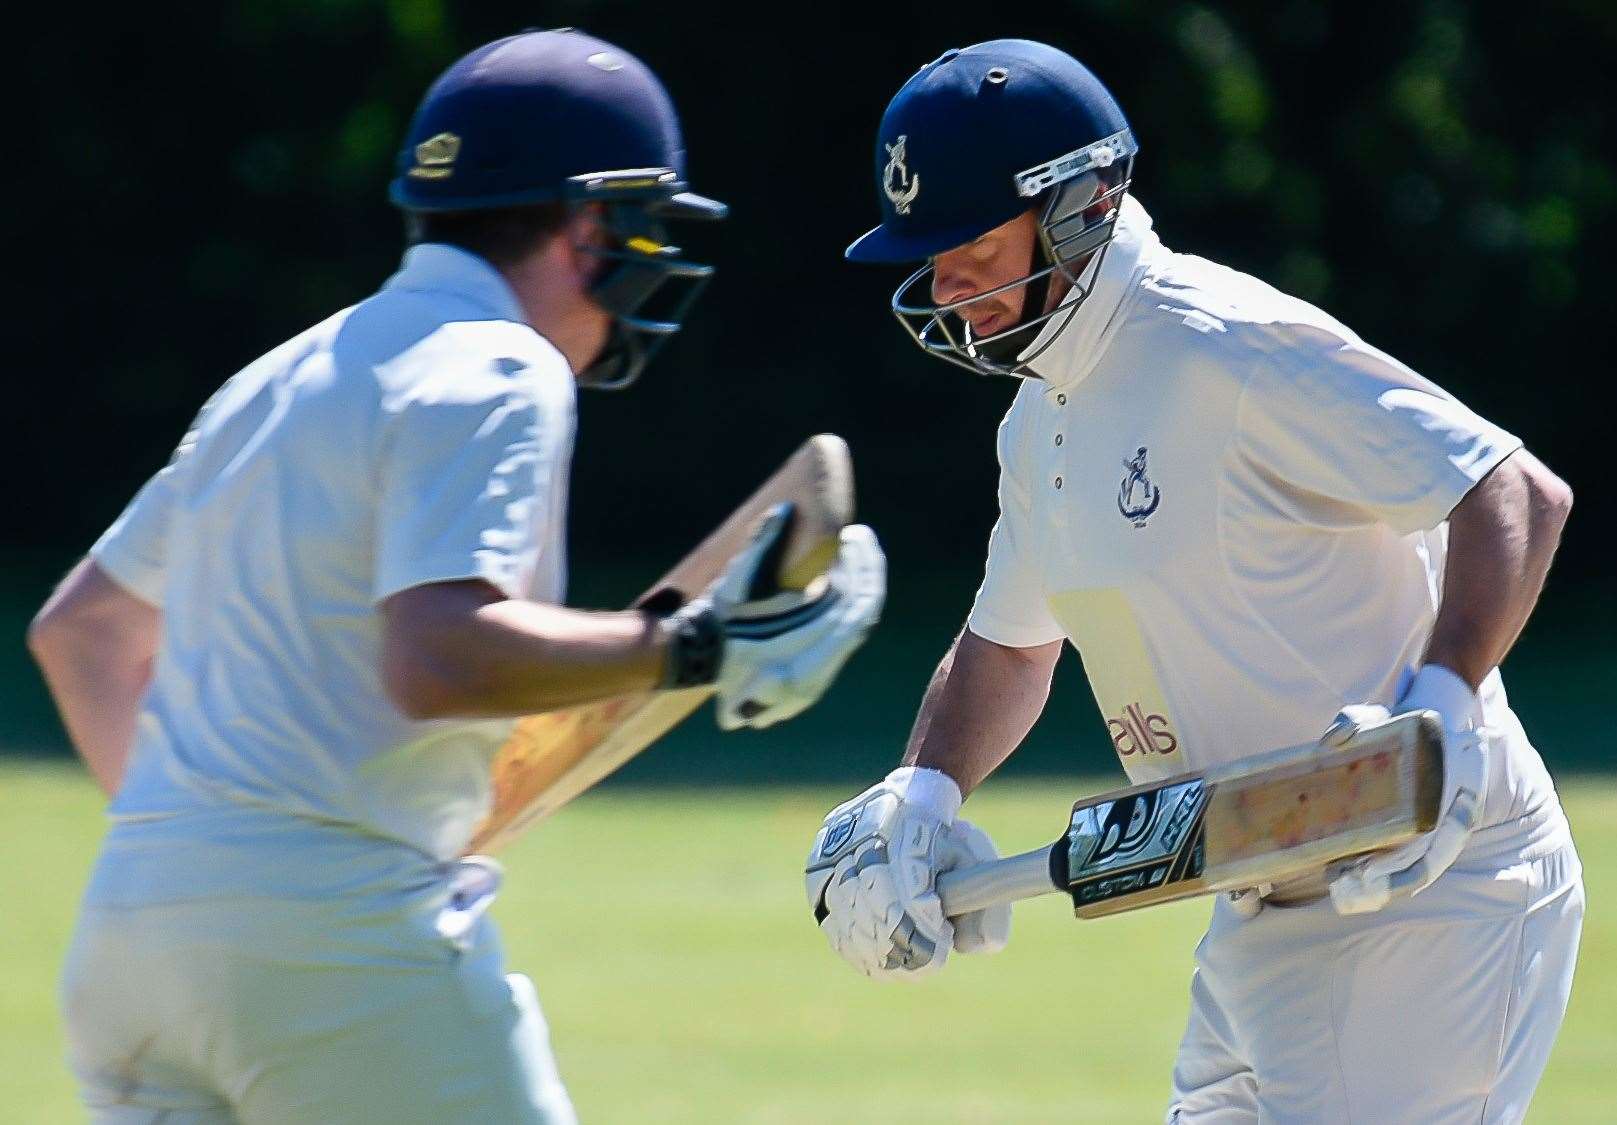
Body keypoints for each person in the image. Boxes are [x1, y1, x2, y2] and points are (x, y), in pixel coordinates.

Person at [29, 28, 884, 1123]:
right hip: (332, 949)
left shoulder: (276, 374)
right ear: (590, 224)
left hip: (132, 932)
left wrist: (211, 848)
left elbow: (81, 629)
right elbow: (439, 655)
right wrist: (696, 648)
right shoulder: (498, 362)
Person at [805, 38, 1580, 1122]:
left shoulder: (1228, 346)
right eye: (929, 253)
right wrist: (923, 793)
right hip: (1258, 896)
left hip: (1432, 893)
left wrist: (1445, 701)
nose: (944, 282)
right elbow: (1014, 641)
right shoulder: (1040, 417)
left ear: (1077, 204)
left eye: (970, 240)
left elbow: (1512, 490)